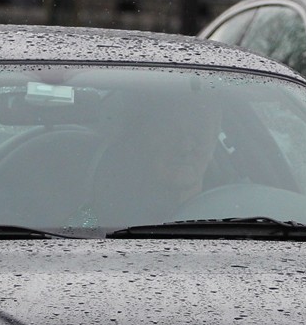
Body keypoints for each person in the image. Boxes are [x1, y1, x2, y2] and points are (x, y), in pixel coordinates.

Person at [71, 94, 223, 228]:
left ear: (214, 140)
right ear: (144, 137)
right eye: (169, 130)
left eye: (199, 131)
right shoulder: (100, 216)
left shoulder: (231, 211)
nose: (185, 146)